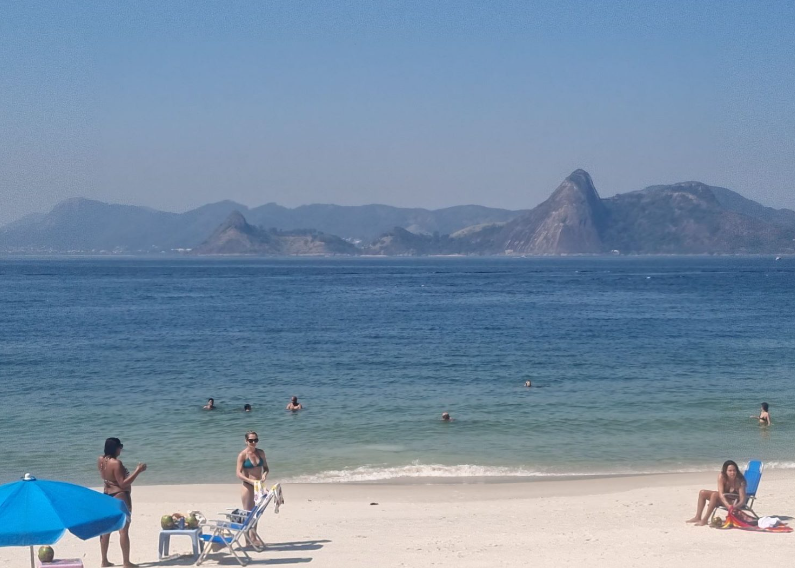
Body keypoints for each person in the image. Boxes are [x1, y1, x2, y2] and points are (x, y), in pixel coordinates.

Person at [98, 438, 147, 568]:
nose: (121, 449)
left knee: (106, 530)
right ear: (115, 448)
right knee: (123, 530)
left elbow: (108, 478)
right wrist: (138, 470)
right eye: (120, 447)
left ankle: (104, 561)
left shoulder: (101, 460)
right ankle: (126, 562)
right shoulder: (116, 463)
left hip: (107, 496)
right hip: (120, 497)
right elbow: (123, 483)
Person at [687, 460, 746, 526]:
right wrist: (727, 505)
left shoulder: (740, 481)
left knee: (715, 495)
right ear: (725, 471)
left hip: (734, 502)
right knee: (702, 493)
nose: (732, 473)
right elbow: (721, 493)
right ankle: (698, 517)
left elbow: (743, 500)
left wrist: (734, 507)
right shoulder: (722, 476)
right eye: (730, 471)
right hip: (725, 499)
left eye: (734, 470)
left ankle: (705, 520)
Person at [236, 431, 269, 547]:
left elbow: (266, 468)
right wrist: (251, 481)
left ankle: (253, 537)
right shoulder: (243, 455)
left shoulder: (261, 453)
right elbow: (238, 473)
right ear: (246, 441)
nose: (253, 442)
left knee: (256, 514)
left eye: (255, 440)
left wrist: (264, 475)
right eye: (251, 440)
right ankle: (247, 540)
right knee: (248, 514)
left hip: (259, 486)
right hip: (248, 486)